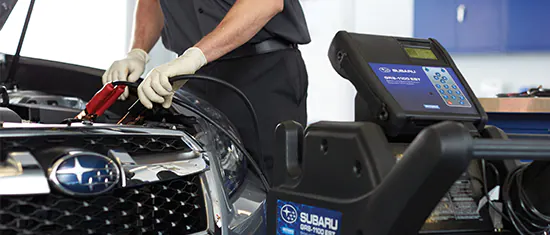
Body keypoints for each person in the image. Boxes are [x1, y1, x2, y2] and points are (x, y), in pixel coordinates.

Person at [101, 0, 311, 181]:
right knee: (196, 181)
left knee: (267, 187)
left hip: (261, 73)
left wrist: (195, 56)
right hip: (192, 75)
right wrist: (138, 52)